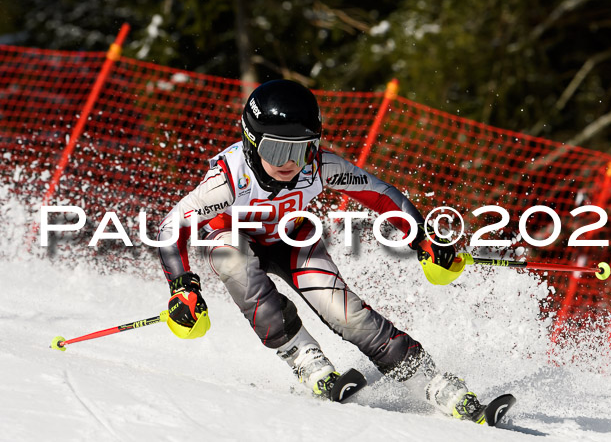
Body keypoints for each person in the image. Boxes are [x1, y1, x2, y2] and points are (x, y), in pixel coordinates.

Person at [157, 79, 487, 423]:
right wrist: (182, 287)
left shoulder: (318, 165)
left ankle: (427, 379)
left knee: (346, 313)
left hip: (290, 239)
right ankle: (303, 356)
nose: (290, 163)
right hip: (231, 237)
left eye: (301, 149)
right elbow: (171, 226)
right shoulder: (227, 180)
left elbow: (381, 194)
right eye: (276, 151)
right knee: (235, 262)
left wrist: (422, 237)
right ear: (252, 144)